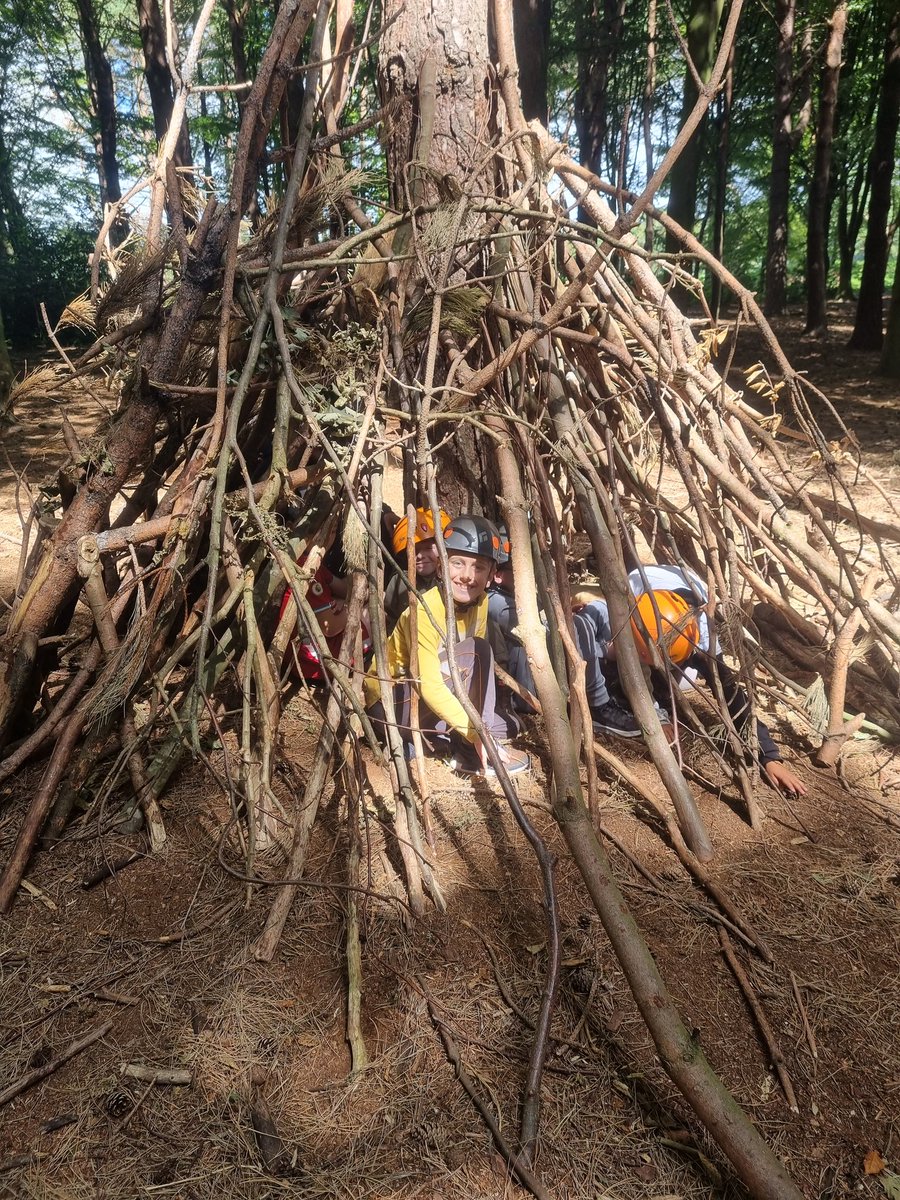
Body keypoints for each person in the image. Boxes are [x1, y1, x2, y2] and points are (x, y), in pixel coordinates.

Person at [577, 564, 807, 795]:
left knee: (670, 687)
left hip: (679, 646)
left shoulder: (704, 642)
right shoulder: (633, 594)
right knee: (611, 663)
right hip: (638, 620)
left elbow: (731, 695)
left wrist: (768, 757)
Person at [365, 514, 529, 776]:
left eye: (478, 567)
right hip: (393, 704)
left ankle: (443, 740)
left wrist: (478, 724)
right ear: (442, 567)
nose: (467, 576)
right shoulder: (425, 610)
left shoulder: (482, 601)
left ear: (491, 575)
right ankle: (468, 754)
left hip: (432, 696)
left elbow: (470, 677)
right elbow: (429, 683)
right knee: (479, 649)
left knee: (510, 725)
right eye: (458, 563)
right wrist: (477, 733)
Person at [486, 530, 649, 736]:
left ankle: (616, 683)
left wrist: (564, 614)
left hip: (545, 661)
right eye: (520, 569)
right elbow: (541, 635)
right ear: (498, 575)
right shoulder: (496, 604)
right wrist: (601, 650)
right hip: (530, 685)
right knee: (578, 627)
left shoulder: (512, 594)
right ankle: (597, 705)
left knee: (598, 610)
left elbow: (541, 618)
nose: (532, 574)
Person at [384, 506, 451, 632]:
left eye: (428, 548)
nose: (419, 556)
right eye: (413, 551)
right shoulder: (401, 583)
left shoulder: (453, 580)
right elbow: (391, 616)